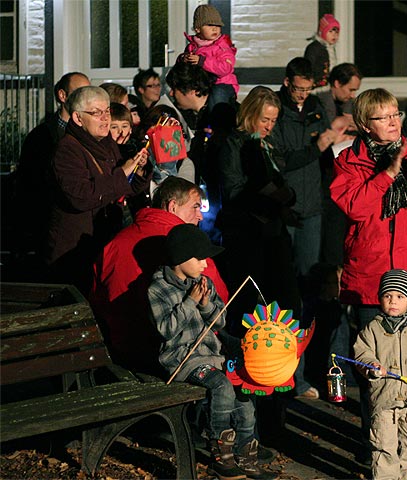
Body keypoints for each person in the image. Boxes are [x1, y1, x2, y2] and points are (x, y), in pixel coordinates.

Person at [329, 88, 407, 464]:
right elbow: (354, 207)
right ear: (365, 124)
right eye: (383, 117)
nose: (394, 122)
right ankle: (378, 449)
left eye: (396, 114)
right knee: (375, 375)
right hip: (371, 279)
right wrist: (387, 174)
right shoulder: (349, 161)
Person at [148, 223, 276, 480]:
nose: (206, 264)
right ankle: (220, 454)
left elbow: (219, 322)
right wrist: (190, 302)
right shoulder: (158, 289)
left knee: (242, 390)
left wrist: (206, 305)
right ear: (181, 257)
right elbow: (167, 330)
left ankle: (246, 453)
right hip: (183, 360)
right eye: (200, 258)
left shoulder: (203, 282)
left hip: (214, 354)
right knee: (221, 386)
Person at [90, 176, 228, 375]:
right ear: (172, 207)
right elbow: (221, 302)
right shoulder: (191, 251)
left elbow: (97, 299)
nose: (200, 216)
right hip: (176, 359)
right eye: (195, 207)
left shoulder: (116, 242)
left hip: (122, 353)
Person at [214, 86, 300, 340]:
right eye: (265, 120)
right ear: (251, 114)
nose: (269, 126)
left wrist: (285, 196)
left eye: (273, 121)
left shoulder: (266, 144)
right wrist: (271, 196)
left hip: (272, 232)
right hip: (246, 236)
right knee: (251, 304)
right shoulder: (233, 144)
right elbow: (234, 191)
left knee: (284, 300)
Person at [47, 86, 150, 292]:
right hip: (76, 250)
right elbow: (82, 197)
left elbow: (123, 188)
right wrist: (123, 172)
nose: (105, 118)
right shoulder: (67, 149)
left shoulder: (106, 143)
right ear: (77, 118)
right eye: (96, 113)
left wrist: (138, 170)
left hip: (105, 241)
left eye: (107, 111)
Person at [353, 269, 407, 480]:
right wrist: (371, 365)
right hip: (384, 399)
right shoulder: (372, 329)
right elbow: (361, 353)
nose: (393, 301)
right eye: (387, 296)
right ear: (380, 299)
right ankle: (386, 477)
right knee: (384, 443)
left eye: (400, 297)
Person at [271, 57, 342, 277]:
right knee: (281, 271)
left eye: (308, 89)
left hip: (312, 203)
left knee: (310, 271)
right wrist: (317, 147)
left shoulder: (315, 108)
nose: (303, 94)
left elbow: (326, 152)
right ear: (286, 82)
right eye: (298, 89)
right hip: (284, 204)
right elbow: (279, 159)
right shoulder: (275, 111)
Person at [14, 71, 91, 269]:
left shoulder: (90, 131)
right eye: (79, 92)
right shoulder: (42, 137)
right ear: (62, 96)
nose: (86, 98)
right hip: (52, 224)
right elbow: (30, 184)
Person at [316, 63, 363, 265]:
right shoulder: (319, 105)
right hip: (323, 179)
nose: (353, 95)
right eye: (350, 89)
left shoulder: (346, 107)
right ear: (336, 83)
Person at [156, 62, 212, 184]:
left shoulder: (220, 115)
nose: (171, 93)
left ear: (192, 90)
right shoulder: (184, 114)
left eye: (174, 89)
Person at [178, 4, 239, 108]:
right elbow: (180, 67)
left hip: (222, 83)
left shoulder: (222, 46)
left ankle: (215, 122)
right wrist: (183, 59)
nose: (215, 29)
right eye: (210, 25)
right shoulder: (192, 46)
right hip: (201, 84)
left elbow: (226, 68)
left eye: (218, 25)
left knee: (218, 94)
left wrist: (202, 61)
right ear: (198, 29)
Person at [304, 14, 340, 90]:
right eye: (330, 32)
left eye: (336, 32)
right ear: (322, 32)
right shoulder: (314, 48)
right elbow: (308, 66)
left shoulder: (330, 48)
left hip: (327, 86)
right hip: (316, 86)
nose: (334, 35)